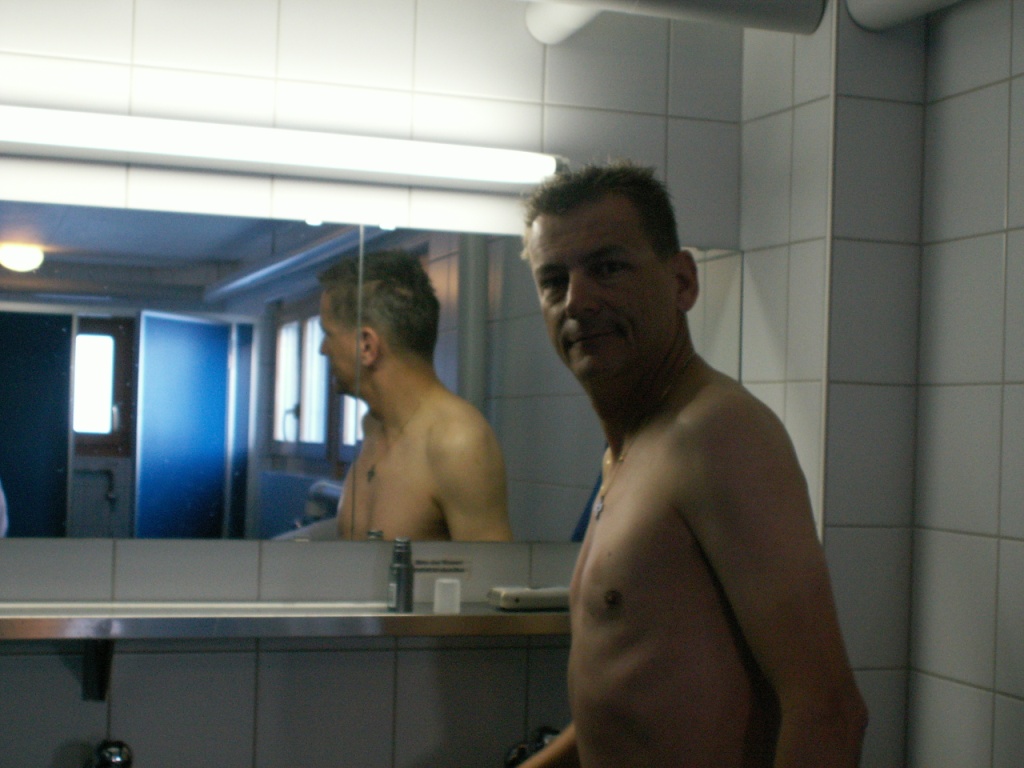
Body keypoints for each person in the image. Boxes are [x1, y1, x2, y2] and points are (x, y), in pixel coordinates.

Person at [517, 162, 867, 767]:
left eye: (608, 268)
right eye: (554, 280)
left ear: (682, 281)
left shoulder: (716, 435)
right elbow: (630, 705)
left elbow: (829, 711)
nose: (577, 300)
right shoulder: (629, 454)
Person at [318, 249, 512, 542]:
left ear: (367, 345)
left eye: (328, 334)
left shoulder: (457, 442)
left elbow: (491, 570)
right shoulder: (374, 427)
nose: (322, 349)